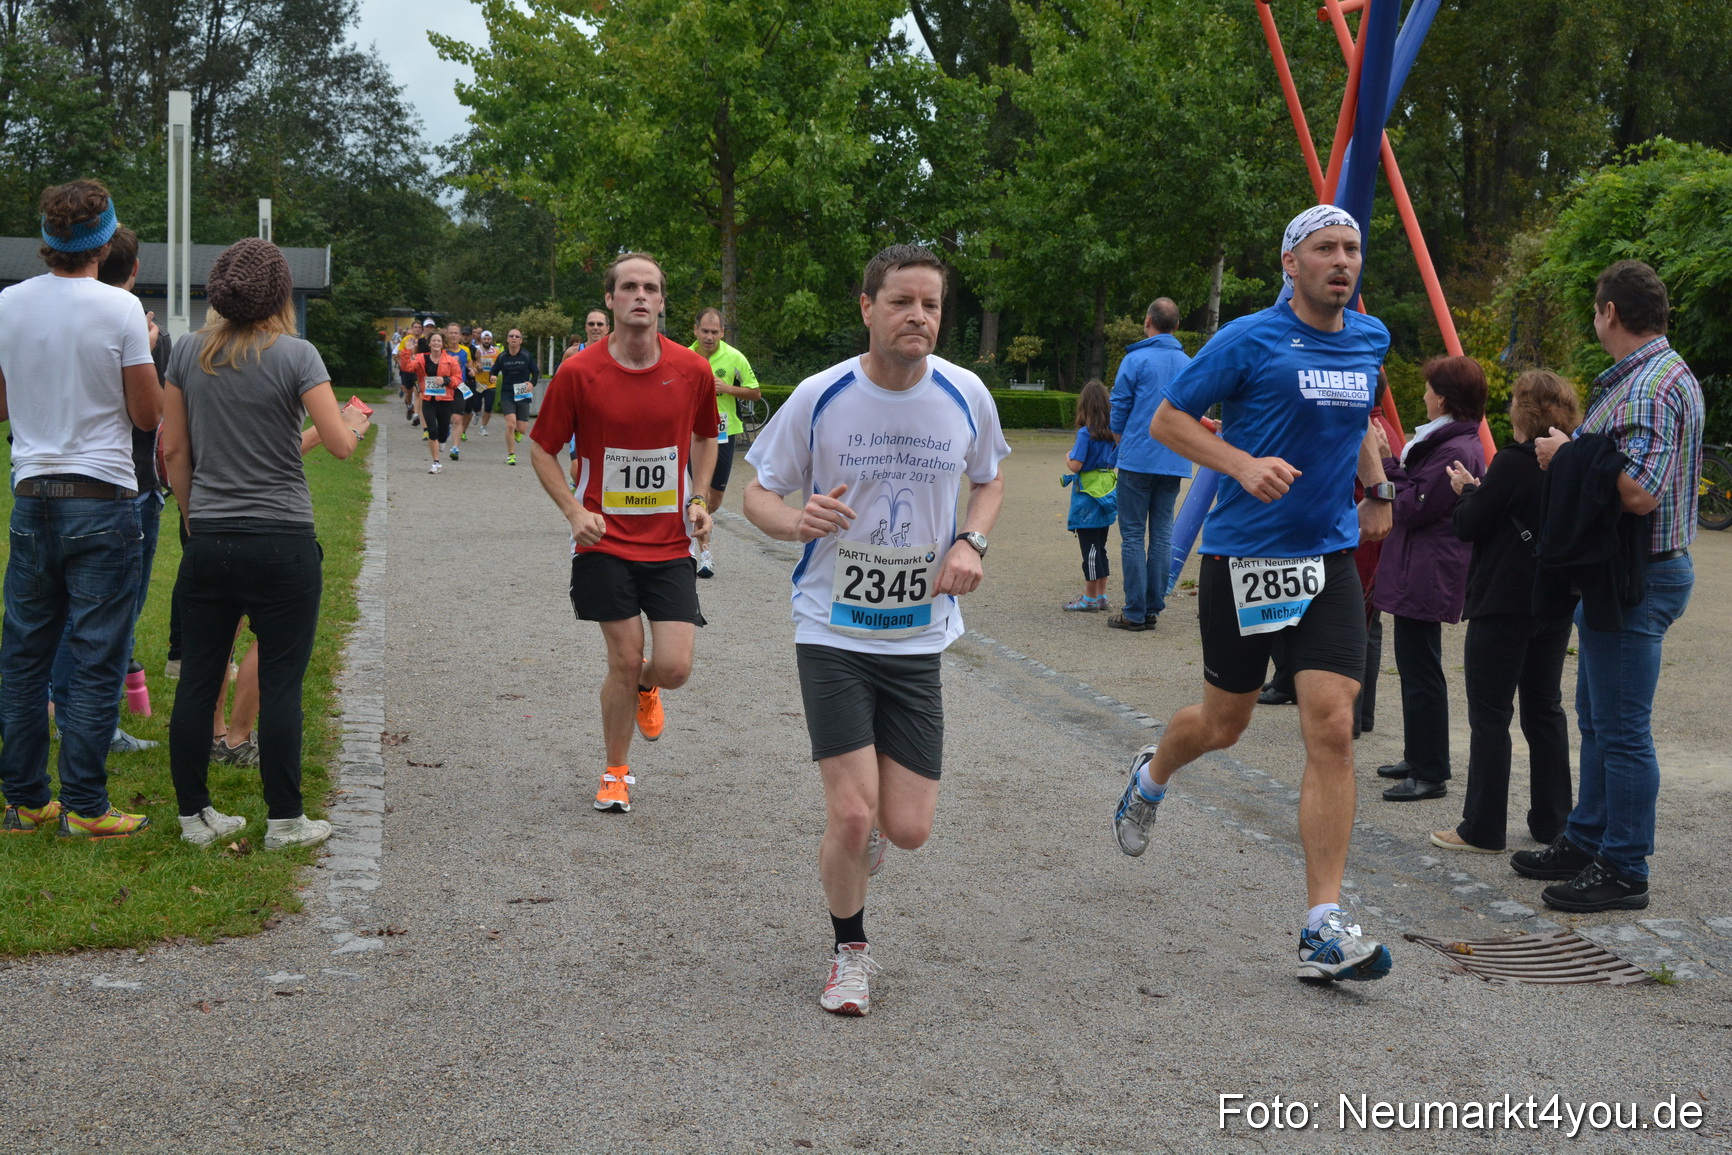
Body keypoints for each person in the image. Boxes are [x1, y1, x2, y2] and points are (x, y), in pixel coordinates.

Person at [1110, 205, 1397, 985]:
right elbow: (1168, 421)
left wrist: (1377, 485)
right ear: (1290, 262)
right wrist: (1238, 463)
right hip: (1245, 559)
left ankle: (1322, 924)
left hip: (1328, 558)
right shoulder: (1246, 338)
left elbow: (1359, 411)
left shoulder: (1370, 337)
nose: (1343, 261)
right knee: (1223, 722)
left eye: (1352, 249)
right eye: (1326, 249)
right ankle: (1151, 775)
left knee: (1333, 725)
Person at [744, 242, 1010, 1016]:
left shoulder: (965, 393)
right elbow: (757, 494)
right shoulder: (822, 395)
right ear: (868, 307)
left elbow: (990, 480)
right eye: (902, 302)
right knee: (854, 813)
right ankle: (849, 952)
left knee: (908, 826)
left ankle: (858, 847)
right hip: (832, 626)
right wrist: (795, 521)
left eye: (930, 303)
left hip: (918, 635)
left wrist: (973, 540)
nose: (918, 315)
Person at [160, 237, 370, 849]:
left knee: (200, 679)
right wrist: (354, 426)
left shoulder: (187, 354)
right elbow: (336, 444)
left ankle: (194, 815)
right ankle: (284, 819)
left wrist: (194, 516)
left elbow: (175, 451)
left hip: (212, 536)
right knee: (281, 680)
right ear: (281, 294)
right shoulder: (298, 355)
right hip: (283, 540)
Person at [1521, 260, 1704, 913]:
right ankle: (1589, 836)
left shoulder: (1651, 386)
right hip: (1621, 577)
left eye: (1596, 309)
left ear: (1610, 313)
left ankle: (1624, 867)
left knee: (1622, 728)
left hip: (1637, 578)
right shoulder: (1650, 375)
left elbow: (1638, 491)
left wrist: (1563, 456)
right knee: (1598, 717)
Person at [527, 252, 718, 815]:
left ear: (662, 302)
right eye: (629, 287)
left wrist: (700, 497)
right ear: (610, 300)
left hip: (668, 543)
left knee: (675, 666)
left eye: (651, 288)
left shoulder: (692, 370)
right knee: (624, 657)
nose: (640, 295)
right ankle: (615, 772)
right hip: (602, 541)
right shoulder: (579, 372)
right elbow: (541, 447)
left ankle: (647, 687)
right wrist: (571, 511)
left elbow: (707, 437)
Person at [0, 180, 163, 839]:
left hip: (31, 494)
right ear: (104, 240)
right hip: (102, 497)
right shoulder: (120, 311)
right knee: (96, 656)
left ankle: (25, 798)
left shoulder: (8, 302)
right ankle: (87, 805)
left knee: (24, 654)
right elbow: (147, 414)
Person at [1429, 370, 1580, 852]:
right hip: (1553, 600)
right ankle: (1553, 821)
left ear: (1523, 411)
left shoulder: (1514, 463)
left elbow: (1471, 524)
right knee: (1545, 710)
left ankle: (1484, 826)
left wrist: (1467, 492)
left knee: (1491, 714)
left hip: (1503, 600)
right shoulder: (1572, 460)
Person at [45, 225, 166, 756]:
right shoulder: (133, 326)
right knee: (107, 618)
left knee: (54, 616)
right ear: (134, 270)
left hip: (41, 480)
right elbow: (149, 417)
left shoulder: (40, 314)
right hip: (123, 488)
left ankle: (59, 712)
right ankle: (88, 725)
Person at [1370, 356, 1487, 802]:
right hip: (1419, 565)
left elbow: (1412, 506)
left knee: (1422, 670)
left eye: (1427, 389)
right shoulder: (1449, 440)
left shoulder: (1454, 448)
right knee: (1415, 665)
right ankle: (1418, 754)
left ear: (1443, 397)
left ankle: (1431, 769)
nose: (1422, 395)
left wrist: (1385, 463)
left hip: (1428, 567)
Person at [1107, 297, 1193, 631]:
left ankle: (1134, 611)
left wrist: (1122, 441)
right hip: (1174, 459)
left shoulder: (1135, 359)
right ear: (1177, 326)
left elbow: (1119, 408)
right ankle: (1153, 607)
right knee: (1162, 536)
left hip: (1137, 458)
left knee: (1131, 535)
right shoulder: (1188, 362)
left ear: (1147, 321)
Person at [689, 306, 762, 578]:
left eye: (715, 332)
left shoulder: (734, 357)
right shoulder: (685, 357)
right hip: (693, 435)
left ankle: (701, 521)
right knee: (700, 492)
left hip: (725, 432)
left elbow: (755, 392)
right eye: (705, 331)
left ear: (722, 332)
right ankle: (704, 554)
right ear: (696, 331)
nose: (709, 337)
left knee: (715, 498)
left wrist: (727, 388)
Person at [1062, 379, 1118, 612]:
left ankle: (1090, 598)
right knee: (1100, 546)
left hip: (1088, 496)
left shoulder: (1086, 433)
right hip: (1107, 489)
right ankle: (1102, 595)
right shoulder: (1112, 433)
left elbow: (1075, 465)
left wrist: (1067, 456)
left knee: (1090, 549)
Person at [401, 331, 462, 473]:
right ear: (429, 344)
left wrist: (446, 380)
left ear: (442, 344)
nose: (436, 343)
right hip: (428, 399)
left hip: (445, 400)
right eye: (433, 341)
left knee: (442, 433)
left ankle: (442, 441)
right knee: (432, 431)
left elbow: (458, 379)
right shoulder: (421, 358)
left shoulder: (450, 360)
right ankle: (436, 462)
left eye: (438, 341)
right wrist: (406, 351)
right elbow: (407, 367)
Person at [491, 327, 539, 465]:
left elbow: (535, 372)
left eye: (517, 336)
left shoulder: (526, 356)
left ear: (521, 341)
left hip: (523, 392)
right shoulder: (502, 356)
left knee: (522, 428)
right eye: (511, 336)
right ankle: (511, 454)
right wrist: (493, 377)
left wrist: (531, 383)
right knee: (510, 423)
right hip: (507, 393)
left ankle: (518, 432)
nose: (514, 338)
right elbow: (494, 371)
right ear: (507, 339)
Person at [446, 322, 476, 455]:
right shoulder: (443, 351)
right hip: (444, 388)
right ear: (447, 335)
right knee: (446, 417)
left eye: (455, 333)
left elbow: (469, 364)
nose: (453, 335)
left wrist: (472, 370)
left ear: (459, 336)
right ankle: (443, 434)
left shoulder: (465, 351)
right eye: (451, 332)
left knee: (458, 418)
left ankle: (455, 448)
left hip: (459, 387)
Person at [474, 330, 498, 435]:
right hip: (479, 383)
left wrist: (496, 369)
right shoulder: (476, 350)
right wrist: (477, 367)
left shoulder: (497, 351)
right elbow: (471, 363)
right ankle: (476, 413)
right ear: (481, 339)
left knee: (488, 407)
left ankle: (483, 427)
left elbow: (500, 364)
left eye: (489, 339)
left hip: (490, 384)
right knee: (476, 405)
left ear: (491, 340)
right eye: (485, 339)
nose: (487, 341)